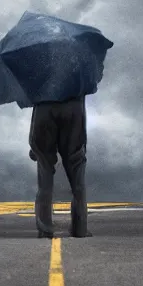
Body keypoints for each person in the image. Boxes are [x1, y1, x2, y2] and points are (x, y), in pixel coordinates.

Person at [28, 96, 92, 238]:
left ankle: (45, 229)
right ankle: (80, 228)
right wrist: (83, 144)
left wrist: (34, 144)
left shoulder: (41, 74)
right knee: (77, 172)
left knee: (45, 173)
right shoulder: (79, 75)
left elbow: (36, 103)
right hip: (73, 106)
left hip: (45, 107)